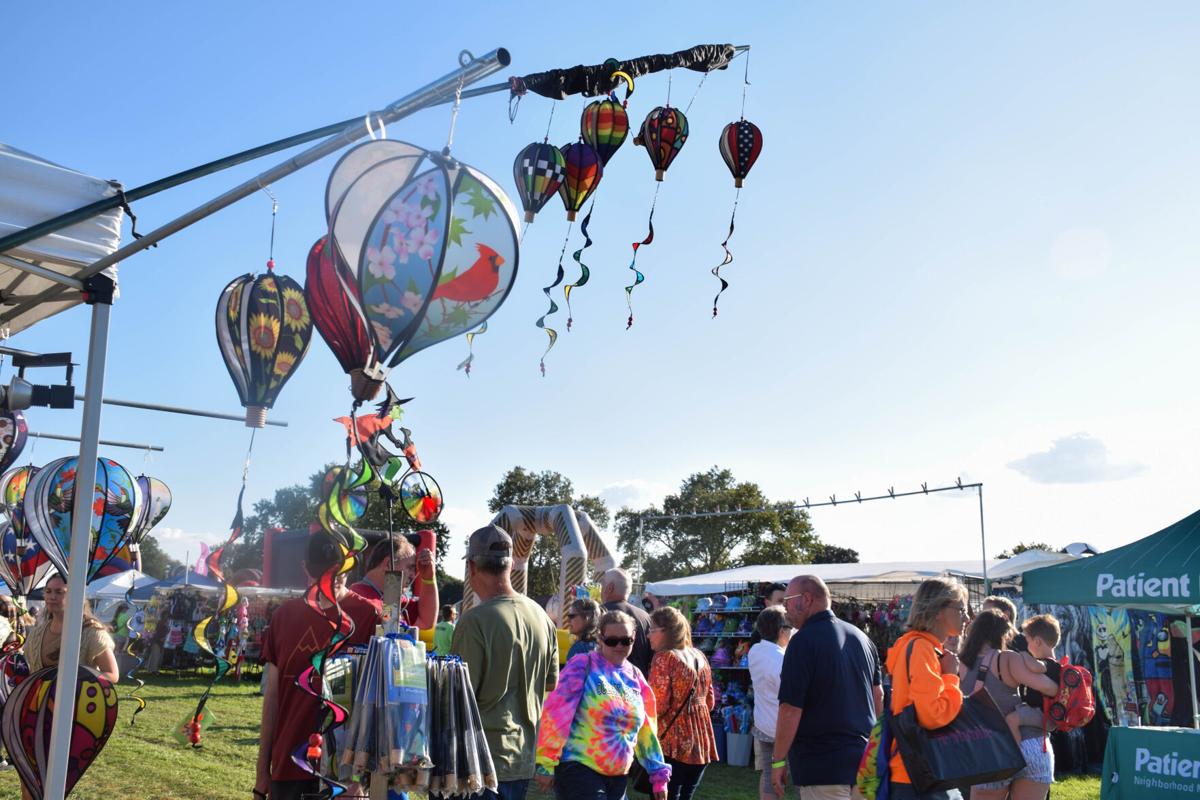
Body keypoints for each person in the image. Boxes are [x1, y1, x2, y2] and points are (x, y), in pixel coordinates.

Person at [255, 532, 381, 800]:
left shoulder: (368, 616)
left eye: (338, 574)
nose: (330, 582)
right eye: (321, 574)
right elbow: (273, 699)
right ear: (305, 569)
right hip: (288, 767)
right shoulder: (284, 616)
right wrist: (261, 772)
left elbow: (377, 704)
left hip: (343, 774)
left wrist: (360, 777)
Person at [451, 525, 559, 800]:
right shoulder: (543, 618)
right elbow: (550, 684)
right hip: (522, 759)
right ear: (510, 565)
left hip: (478, 764)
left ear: (472, 567)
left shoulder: (473, 622)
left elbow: (458, 700)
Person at [536, 610, 671, 800]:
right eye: (611, 640)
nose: (619, 646)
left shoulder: (635, 676)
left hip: (619, 775)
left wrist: (658, 774)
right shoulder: (583, 664)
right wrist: (545, 762)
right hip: (579, 769)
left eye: (626, 641)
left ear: (633, 638)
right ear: (600, 638)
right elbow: (556, 714)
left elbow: (646, 730)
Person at [772, 575, 882, 800]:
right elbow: (877, 697)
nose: (785, 608)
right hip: (866, 764)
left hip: (823, 766)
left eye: (788, 600)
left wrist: (779, 761)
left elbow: (790, 708)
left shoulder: (802, 641)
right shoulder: (862, 638)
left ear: (807, 599)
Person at [20, 574, 120, 800]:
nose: (52, 597)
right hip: (35, 711)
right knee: (28, 773)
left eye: (59, 592)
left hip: (70, 715)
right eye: (48, 591)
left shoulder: (91, 632)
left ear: (74, 596)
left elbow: (112, 675)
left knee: (52, 777)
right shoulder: (39, 631)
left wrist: (72, 681)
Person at [958, 610, 1058, 800]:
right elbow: (1050, 689)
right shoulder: (1007, 659)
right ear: (1003, 634)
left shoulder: (961, 664)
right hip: (1032, 745)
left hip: (991, 750)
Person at [885, 577, 968, 800]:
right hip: (921, 774)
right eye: (960, 609)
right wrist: (951, 676)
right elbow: (932, 714)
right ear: (938, 610)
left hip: (914, 770)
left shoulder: (914, 645)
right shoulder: (922, 649)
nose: (967, 617)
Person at [647, 607, 717, 800]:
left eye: (652, 630)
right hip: (701, 741)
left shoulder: (664, 658)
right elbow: (710, 701)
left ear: (667, 631)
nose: (648, 635)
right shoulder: (700, 656)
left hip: (673, 743)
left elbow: (657, 705)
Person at [349, 532, 438, 629]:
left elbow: (426, 622)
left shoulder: (390, 596)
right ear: (388, 564)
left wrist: (428, 579)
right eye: (410, 567)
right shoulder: (358, 598)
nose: (414, 575)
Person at [749, 606, 793, 800]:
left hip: (763, 726)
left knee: (769, 777)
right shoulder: (783, 660)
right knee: (799, 780)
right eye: (790, 628)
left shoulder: (755, 651)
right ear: (782, 631)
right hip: (784, 729)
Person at [1006, 615, 1062, 747]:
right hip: (1041, 712)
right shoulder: (1051, 663)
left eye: (1027, 641)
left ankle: (1016, 753)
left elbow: (1036, 667)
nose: (1027, 645)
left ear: (1037, 642)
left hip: (1043, 714)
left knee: (1011, 720)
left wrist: (1023, 651)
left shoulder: (1050, 664)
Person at [600, 567, 654, 676]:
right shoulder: (645, 617)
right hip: (638, 685)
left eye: (602, 586)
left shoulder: (599, 613)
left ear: (609, 588)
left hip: (605, 685)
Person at [564, 597, 601, 662]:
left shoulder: (579, 648)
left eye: (572, 616)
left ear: (587, 618)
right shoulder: (602, 646)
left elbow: (571, 672)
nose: (568, 620)